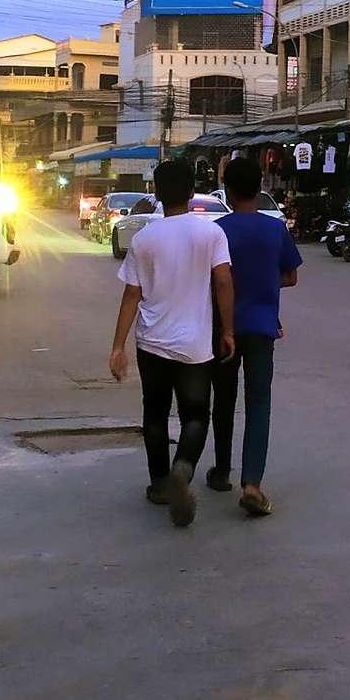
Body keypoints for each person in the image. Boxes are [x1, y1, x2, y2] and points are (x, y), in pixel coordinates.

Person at [108, 158, 234, 528]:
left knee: (156, 413)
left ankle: (161, 483)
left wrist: (117, 347)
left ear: (157, 194)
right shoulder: (211, 234)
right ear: (192, 191)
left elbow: (131, 296)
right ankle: (184, 468)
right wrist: (228, 331)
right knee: (196, 414)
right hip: (195, 344)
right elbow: (224, 282)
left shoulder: (144, 238)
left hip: (152, 343)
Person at [207, 157, 300, 517]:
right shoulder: (275, 230)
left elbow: (213, 281)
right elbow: (291, 276)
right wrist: (263, 284)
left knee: (224, 400)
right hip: (263, 326)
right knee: (259, 402)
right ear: (260, 187)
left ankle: (220, 471)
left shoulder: (217, 230)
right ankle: (252, 484)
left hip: (223, 329)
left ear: (227, 191)